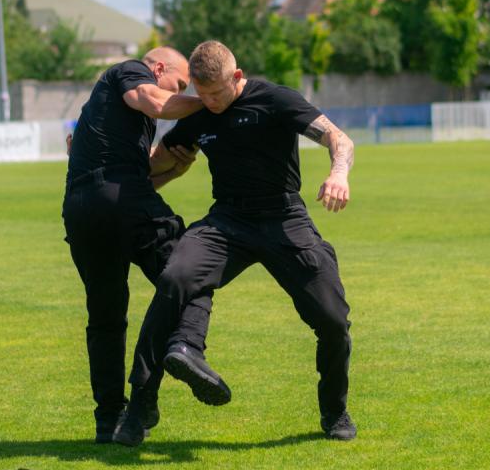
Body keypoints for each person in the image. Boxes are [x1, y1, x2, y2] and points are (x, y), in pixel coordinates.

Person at [114, 40, 357, 445]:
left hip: (283, 218)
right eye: (202, 93)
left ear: (237, 77)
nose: (209, 102)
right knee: (174, 279)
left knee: (333, 320)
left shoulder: (275, 100)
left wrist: (338, 174)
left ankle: (335, 410)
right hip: (228, 221)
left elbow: (339, 139)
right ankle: (140, 406)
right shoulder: (200, 114)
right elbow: (158, 160)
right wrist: (103, 159)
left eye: (217, 93)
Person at [63, 46, 221, 443]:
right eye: (180, 84)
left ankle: (109, 420)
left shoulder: (109, 115)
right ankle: (184, 349)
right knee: (192, 271)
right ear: (159, 67)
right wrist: (210, 99)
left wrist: (174, 172)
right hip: (119, 200)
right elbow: (153, 100)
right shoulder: (130, 72)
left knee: (106, 317)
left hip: (82, 210)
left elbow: (138, 174)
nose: (182, 92)